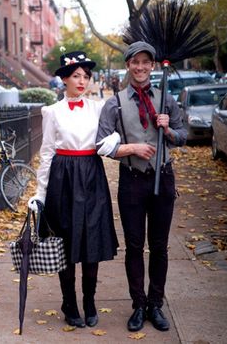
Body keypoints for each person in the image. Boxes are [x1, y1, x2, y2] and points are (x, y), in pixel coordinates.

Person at [96, 41, 187, 332]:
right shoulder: (115, 102)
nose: (140, 67)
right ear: (128, 66)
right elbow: (102, 145)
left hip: (164, 176)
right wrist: (131, 147)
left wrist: (168, 128)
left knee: (159, 246)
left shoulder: (165, 99)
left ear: (152, 65)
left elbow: (184, 135)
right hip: (132, 180)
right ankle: (138, 304)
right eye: (135, 62)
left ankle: (155, 305)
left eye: (146, 62)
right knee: (135, 246)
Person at [28, 50, 119, 328]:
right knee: (65, 243)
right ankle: (69, 303)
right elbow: (46, 153)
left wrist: (115, 138)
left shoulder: (99, 108)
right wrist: (40, 194)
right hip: (62, 179)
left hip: (91, 176)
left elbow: (112, 138)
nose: (82, 81)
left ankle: (90, 301)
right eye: (76, 76)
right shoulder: (51, 111)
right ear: (65, 79)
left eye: (86, 76)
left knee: (91, 240)